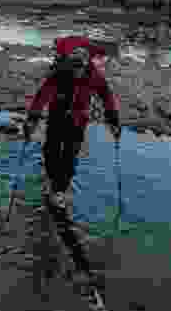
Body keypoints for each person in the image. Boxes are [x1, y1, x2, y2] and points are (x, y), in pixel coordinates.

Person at [23, 36, 122, 210]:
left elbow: (106, 96)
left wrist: (113, 119)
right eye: (73, 67)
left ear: (86, 64)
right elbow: (42, 96)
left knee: (70, 155)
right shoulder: (58, 73)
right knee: (51, 150)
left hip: (78, 120)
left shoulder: (94, 76)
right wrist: (32, 118)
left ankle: (60, 189)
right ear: (69, 63)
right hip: (57, 116)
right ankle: (51, 177)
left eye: (80, 67)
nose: (76, 72)